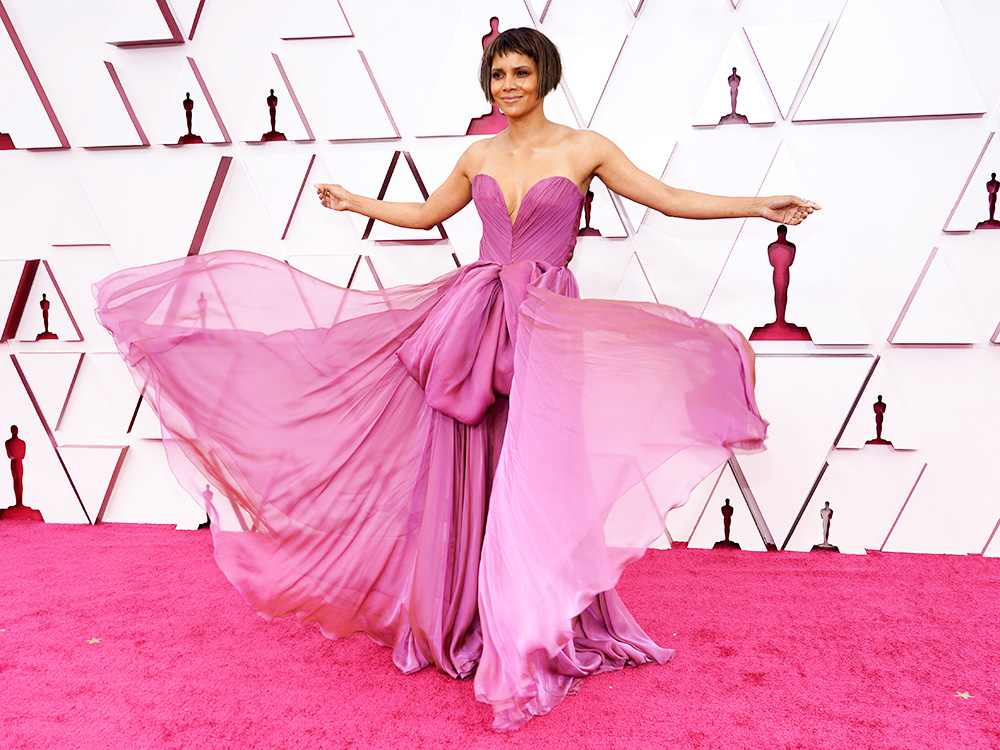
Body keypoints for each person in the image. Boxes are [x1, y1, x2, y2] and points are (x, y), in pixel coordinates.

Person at [95, 27, 817, 731]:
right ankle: (468, 615)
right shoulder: (477, 154)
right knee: (469, 460)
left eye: (520, 74)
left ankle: (537, 620)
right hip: (474, 320)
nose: (508, 86)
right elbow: (427, 214)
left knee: (540, 471)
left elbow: (666, 198)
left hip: (544, 325)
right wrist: (358, 204)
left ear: (546, 77)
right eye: (498, 76)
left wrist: (758, 205)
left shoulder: (586, 147)